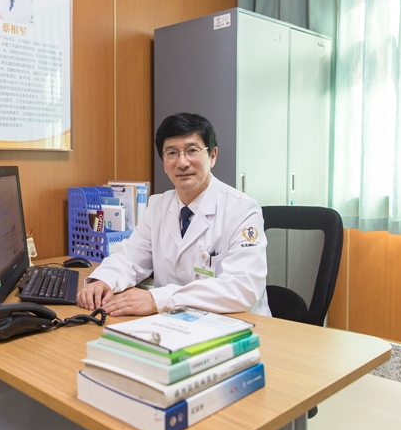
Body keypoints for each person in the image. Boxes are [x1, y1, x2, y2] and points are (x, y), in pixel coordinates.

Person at [76, 112, 270, 317]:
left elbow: (243, 287)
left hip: (236, 324)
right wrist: (103, 280)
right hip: (174, 323)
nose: (182, 162)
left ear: (212, 156)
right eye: (171, 153)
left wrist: (158, 300)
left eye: (192, 150)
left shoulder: (243, 210)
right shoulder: (158, 206)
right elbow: (129, 257)